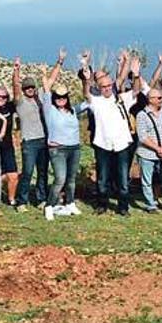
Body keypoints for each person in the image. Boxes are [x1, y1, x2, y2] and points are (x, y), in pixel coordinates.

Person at [81, 62, 134, 216]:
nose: (107, 88)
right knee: (102, 178)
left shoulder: (122, 99)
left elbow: (136, 90)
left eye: (109, 85)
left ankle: (123, 207)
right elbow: (86, 95)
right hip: (102, 144)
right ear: (98, 87)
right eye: (103, 86)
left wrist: (135, 74)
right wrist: (86, 80)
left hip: (122, 144)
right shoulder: (96, 102)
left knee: (123, 179)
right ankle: (102, 205)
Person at [44, 55, 88, 217]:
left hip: (74, 148)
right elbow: (47, 86)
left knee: (71, 179)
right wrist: (59, 62)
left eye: (63, 97)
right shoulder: (50, 110)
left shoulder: (73, 111)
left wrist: (85, 72)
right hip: (58, 149)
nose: (61, 99)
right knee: (60, 178)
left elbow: (88, 101)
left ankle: (70, 203)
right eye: (58, 97)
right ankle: (50, 205)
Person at [13, 56, 50, 208]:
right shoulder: (20, 102)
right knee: (27, 172)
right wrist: (16, 71)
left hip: (43, 140)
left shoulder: (39, 98)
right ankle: (22, 200)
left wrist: (56, 65)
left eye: (32, 87)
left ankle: (41, 199)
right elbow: (15, 86)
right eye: (27, 87)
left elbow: (51, 81)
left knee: (42, 172)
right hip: (29, 141)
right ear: (23, 89)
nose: (30, 89)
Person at [0, 85, 18, 206]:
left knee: (13, 175)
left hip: (7, 146)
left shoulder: (10, 107)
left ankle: (11, 199)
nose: (0, 99)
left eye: (3, 97)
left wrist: (16, 72)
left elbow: (17, 91)